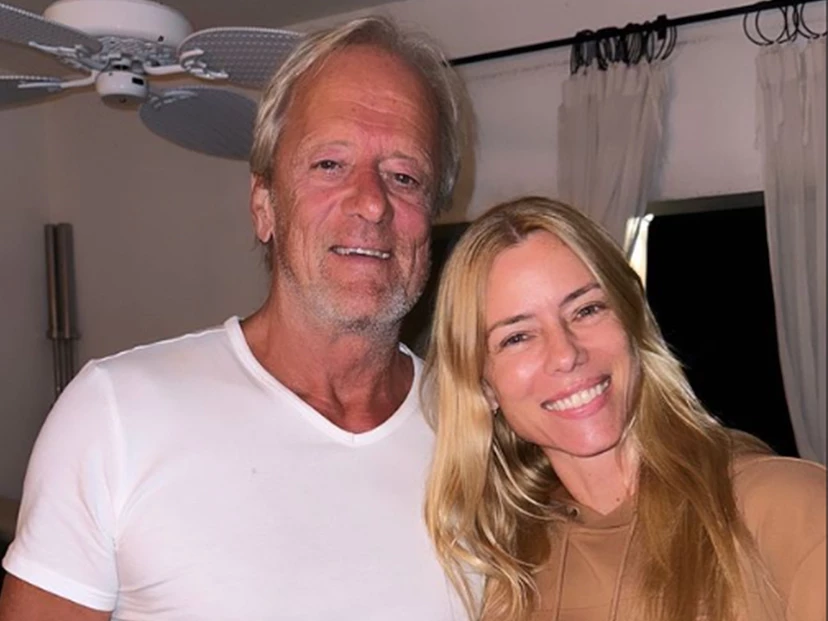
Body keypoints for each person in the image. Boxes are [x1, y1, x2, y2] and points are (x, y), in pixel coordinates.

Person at [0, 15, 473, 621]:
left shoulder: (480, 435)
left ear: (430, 216)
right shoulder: (114, 416)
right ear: (264, 206)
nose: (372, 203)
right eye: (329, 165)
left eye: (405, 176)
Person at [423, 196, 826, 621]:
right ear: (483, 385)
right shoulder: (504, 579)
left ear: (633, 321)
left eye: (587, 310)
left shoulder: (785, 507)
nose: (566, 354)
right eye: (517, 337)